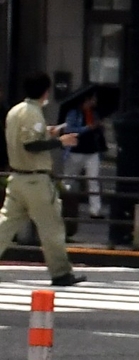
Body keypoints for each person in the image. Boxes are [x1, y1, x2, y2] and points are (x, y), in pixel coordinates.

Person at [2, 73, 84, 286]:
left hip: (17, 178)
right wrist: (60, 141)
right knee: (51, 228)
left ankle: (61, 273)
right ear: (45, 91)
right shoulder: (34, 114)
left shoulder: (16, 111)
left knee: (5, 226)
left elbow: (24, 139)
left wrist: (49, 132)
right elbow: (31, 145)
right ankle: (60, 273)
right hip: (36, 181)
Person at [109, 86, 139, 248]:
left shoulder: (124, 124)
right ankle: (129, 233)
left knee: (125, 195)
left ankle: (119, 234)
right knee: (135, 194)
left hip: (126, 170)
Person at [60, 86, 106, 232]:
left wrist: (98, 128)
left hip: (92, 151)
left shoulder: (95, 113)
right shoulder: (74, 113)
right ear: (86, 100)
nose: (95, 101)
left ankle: (95, 210)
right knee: (68, 180)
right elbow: (70, 130)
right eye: (93, 98)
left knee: (93, 179)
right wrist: (88, 128)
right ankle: (59, 205)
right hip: (76, 150)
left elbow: (96, 130)